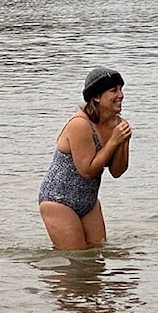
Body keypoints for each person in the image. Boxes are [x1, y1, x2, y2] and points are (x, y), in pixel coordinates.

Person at [38, 67, 132, 250]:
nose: (121, 95)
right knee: (76, 261)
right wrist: (113, 141)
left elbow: (117, 171)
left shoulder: (118, 124)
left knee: (96, 258)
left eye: (121, 89)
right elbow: (87, 170)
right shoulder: (80, 124)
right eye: (113, 90)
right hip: (58, 200)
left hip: (89, 201)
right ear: (96, 97)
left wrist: (123, 142)